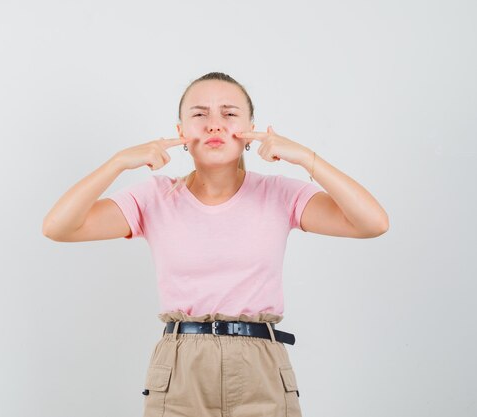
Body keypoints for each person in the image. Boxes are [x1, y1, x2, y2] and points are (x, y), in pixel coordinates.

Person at [42, 72, 389, 417]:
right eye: (199, 114)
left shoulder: (280, 194)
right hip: (180, 368)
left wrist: (305, 157)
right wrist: (119, 162)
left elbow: (372, 223)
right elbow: (58, 227)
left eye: (229, 114)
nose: (214, 125)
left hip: (261, 366)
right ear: (180, 131)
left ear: (251, 128)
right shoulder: (154, 197)